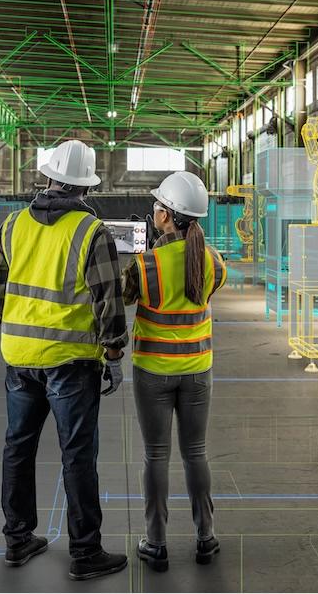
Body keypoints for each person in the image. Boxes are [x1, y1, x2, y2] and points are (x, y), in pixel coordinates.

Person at [0, 139, 129, 581]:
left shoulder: (12, 224)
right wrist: (114, 352)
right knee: (77, 455)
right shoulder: (91, 231)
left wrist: (14, 322)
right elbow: (108, 299)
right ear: (85, 186)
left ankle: (17, 539)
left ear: (47, 178)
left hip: (19, 357)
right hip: (71, 362)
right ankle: (85, 552)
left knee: (18, 447)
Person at [121, 171, 227, 572]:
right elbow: (205, 286)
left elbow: (125, 295)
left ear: (165, 216)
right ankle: (206, 537)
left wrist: (149, 251)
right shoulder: (213, 261)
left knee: (156, 456)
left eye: (157, 207)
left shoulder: (145, 265)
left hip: (153, 371)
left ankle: (156, 543)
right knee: (195, 453)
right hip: (198, 370)